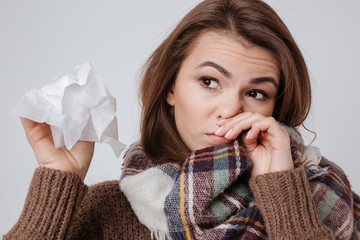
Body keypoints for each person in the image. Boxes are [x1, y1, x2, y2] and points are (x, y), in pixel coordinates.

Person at [4, 0, 360, 239]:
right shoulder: (108, 211)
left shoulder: (315, 194)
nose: (230, 109)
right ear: (170, 87)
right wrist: (58, 182)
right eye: (209, 82)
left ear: (274, 107)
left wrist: (283, 191)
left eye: (256, 93)